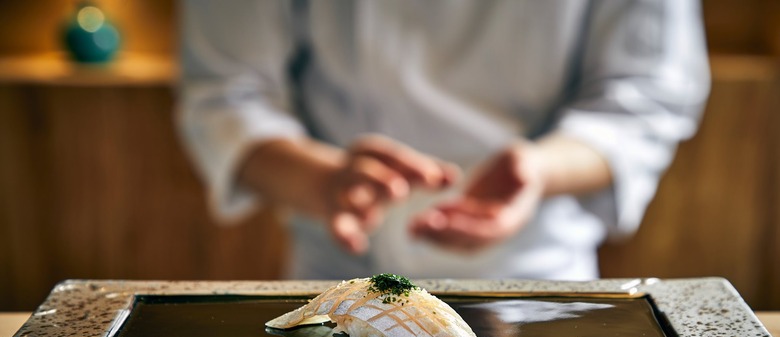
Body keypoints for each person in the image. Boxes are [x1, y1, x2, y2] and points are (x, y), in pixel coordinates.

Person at [175, 0, 710, 281]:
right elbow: (226, 92)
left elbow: (647, 94)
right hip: (341, 270)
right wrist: (324, 179)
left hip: (539, 272)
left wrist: (541, 169)